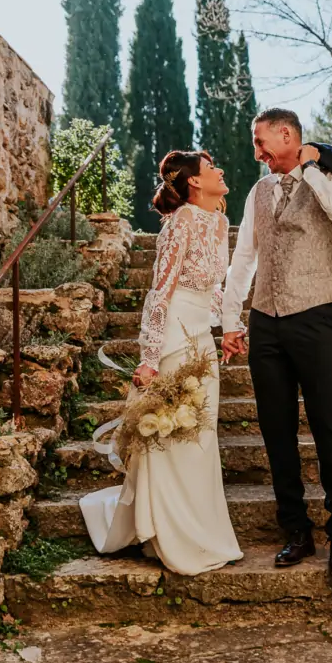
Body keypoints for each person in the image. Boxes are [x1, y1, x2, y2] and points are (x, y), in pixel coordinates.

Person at [222, 107, 332, 576]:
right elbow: (244, 256)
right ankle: (295, 530)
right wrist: (232, 318)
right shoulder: (258, 190)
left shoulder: (327, 178)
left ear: (288, 135)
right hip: (266, 323)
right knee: (276, 432)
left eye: (261, 142)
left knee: (328, 426)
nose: (257, 153)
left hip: (316, 318)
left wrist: (310, 169)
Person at [80, 150, 243, 576]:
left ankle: (202, 532)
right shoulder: (181, 222)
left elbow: (215, 288)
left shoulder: (222, 223)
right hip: (173, 338)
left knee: (200, 439)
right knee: (169, 438)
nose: (221, 170)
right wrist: (150, 358)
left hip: (202, 344)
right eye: (212, 167)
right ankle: (166, 532)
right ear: (193, 182)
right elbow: (160, 293)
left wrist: (230, 327)